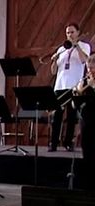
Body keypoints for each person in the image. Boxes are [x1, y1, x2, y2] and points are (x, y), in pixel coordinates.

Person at [49, 22, 91, 152]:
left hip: (74, 85)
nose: (70, 35)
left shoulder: (84, 46)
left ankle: (68, 143)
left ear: (78, 32)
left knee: (72, 116)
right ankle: (54, 143)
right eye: (67, 32)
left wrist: (76, 46)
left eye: (72, 32)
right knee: (57, 116)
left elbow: (85, 60)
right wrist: (54, 60)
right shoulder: (62, 49)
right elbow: (53, 71)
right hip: (60, 85)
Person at [74, 54, 95, 190]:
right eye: (88, 68)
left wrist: (92, 87)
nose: (90, 72)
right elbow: (75, 103)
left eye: (92, 69)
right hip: (87, 123)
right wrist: (79, 91)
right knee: (87, 153)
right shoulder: (83, 82)